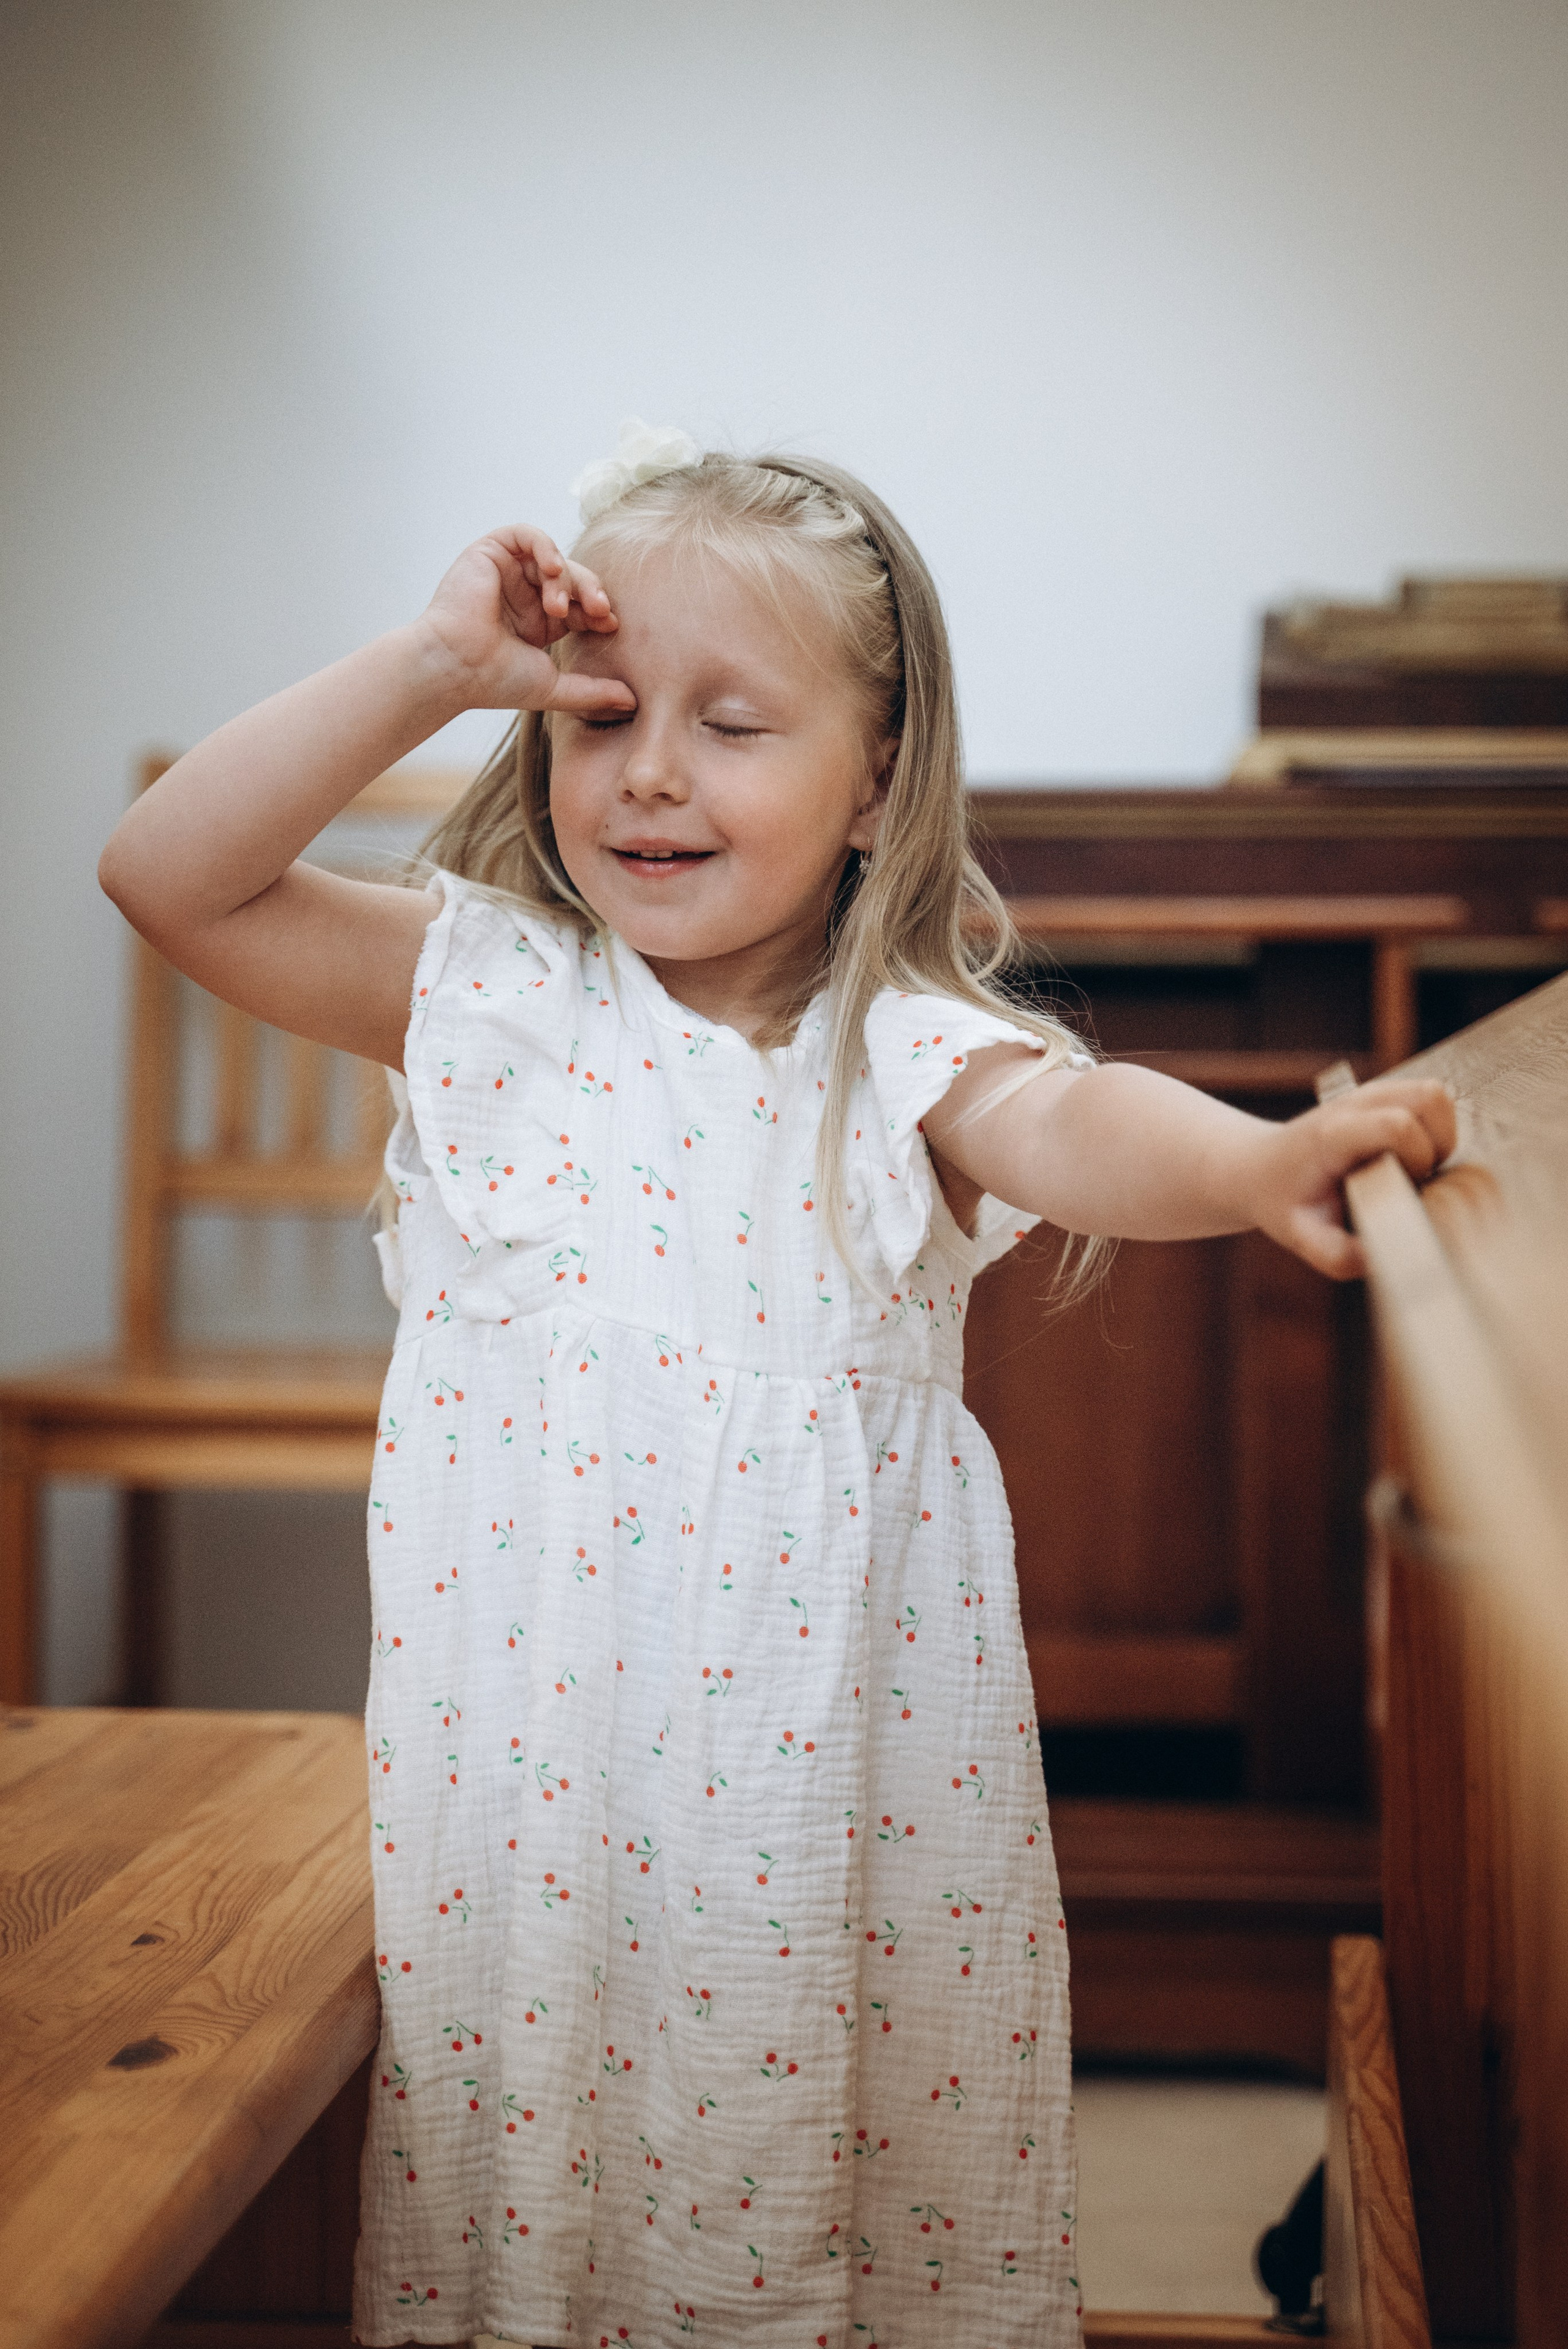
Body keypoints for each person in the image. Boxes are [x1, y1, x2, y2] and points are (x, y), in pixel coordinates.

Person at [99, 423, 1454, 2349]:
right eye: (599, 717)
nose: (650, 773)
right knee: (534, 2163)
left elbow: (1084, 1128)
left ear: (874, 770)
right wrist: (425, 667)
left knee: (795, 2165)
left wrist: (1250, 1165)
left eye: (734, 725)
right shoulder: (493, 998)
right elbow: (167, 872)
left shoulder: (899, 1048)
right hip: (531, 1785)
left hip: (819, 1803)